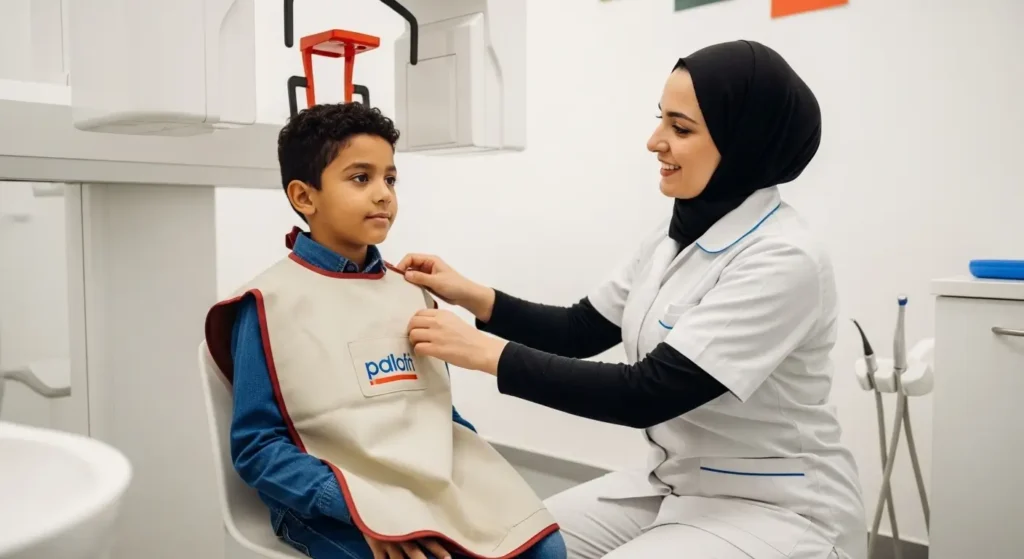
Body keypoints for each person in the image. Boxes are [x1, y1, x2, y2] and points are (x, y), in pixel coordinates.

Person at [397, 40, 866, 559]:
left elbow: (648, 392)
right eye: (660, 119)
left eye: (680, 128)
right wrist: (472, 295)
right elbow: (581, 330)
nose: (653, 141)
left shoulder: (784, 259)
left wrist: (484, 355)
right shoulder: (674, 236)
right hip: (673, 485)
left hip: (773, 507)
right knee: (511, 546)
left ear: (744, 143)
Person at [203, 103, 567, 559]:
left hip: (419, 485)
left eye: (390, 179)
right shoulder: (264, 305)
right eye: (361, 178)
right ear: (304, 197)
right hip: (327, 498)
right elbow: (258, 449)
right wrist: (363, 512)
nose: (383, 195)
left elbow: (437, 415)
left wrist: (462, 497)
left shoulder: (411, 292)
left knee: (545, 551)